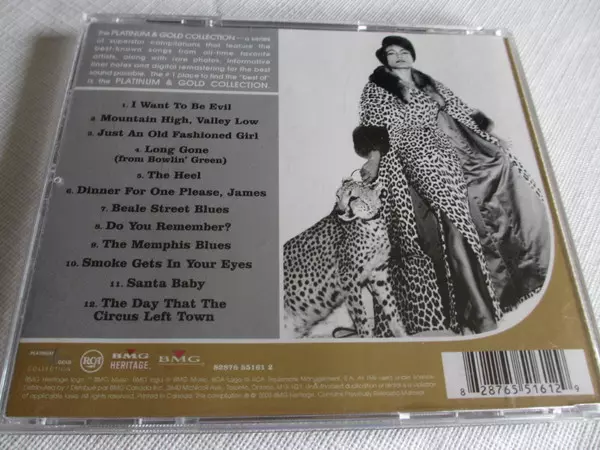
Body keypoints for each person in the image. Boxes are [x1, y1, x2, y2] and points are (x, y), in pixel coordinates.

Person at [355, 35, 551, 334]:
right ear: (384, 59)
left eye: (404, 51)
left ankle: (490, 299)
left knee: (477, 211)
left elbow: (461, 109)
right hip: (419, 156)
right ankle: (479, 312)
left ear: (412, 55)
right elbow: (375, 127)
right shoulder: (377, 88)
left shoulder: (427, 81)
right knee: (454, 223)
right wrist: (373, 160)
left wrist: (490, 136)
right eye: (391, 53)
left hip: (454, 151)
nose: (399, 56)